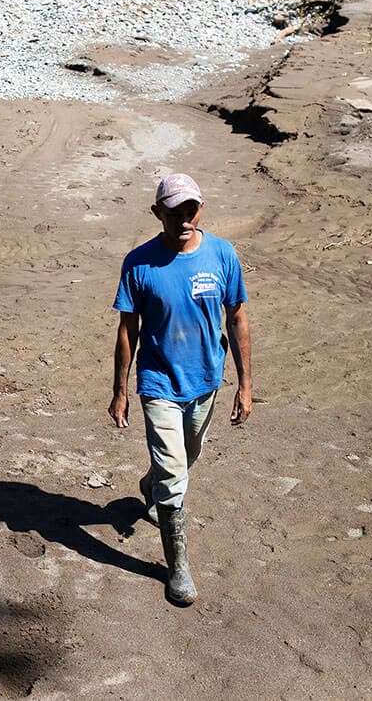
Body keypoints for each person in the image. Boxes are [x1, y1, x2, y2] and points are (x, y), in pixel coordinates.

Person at [108, 172, 252, 606]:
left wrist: (246, 385)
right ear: (158, 214)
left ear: (200, 209)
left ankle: (151, 483)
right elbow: (127, 330)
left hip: (207, 381)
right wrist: (119, 390)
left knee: (186, 458)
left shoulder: (223, 255)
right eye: (174, 212)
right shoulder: (139, 263)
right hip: (158, 384)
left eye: (191, 210)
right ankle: (178, 568)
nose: (184, 219)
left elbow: (238, 319)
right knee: (176, 478)